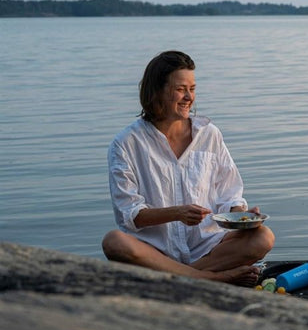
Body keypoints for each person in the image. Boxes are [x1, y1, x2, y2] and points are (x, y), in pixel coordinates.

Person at [102, 50, 274, 286]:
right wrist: (177, 213)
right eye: (180, 89)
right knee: (114, 242)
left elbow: (229, 194)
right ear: (157, 91)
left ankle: (181, 276)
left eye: (192, 89)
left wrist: (241, 217)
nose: (188, 97)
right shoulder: (126, 143)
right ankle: (212, 278)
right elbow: (129, 216)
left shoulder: (209, 135)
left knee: (263, 237)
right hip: (155, 250)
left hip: (208, 248)